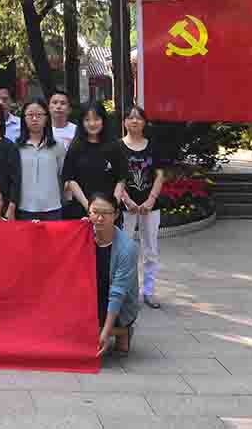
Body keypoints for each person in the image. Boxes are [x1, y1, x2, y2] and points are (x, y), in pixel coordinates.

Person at [118, 104, 166, 309]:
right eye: (130, 117)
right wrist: (127, 200)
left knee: (151, 250)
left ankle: (149, 291)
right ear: (124, 122)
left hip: (150, 207)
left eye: (138, 118)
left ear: (145, 122)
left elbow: (160, 175)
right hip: (125, 207)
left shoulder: (153, 146)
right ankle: (125, 293)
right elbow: (115, 178)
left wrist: (151, 200)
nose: (134, 121)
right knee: (124, 251)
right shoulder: (117, 147)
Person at [89, 192, 140, 355]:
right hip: (92, 295)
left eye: (106, 213)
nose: (99, 218)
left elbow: (118, 292)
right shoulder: (83, 235)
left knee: (89, 334)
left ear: (116, 214)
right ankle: (106, 330)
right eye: (95, 212)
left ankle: (122, 330)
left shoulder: (127, 248)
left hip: (119, 303)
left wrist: (105, 332)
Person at [62, 101, 128, 220]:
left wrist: (112, 207)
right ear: (82, 122)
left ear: (103, 120)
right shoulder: (76, 147)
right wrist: (89, 207)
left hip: (109, 212)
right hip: (82, 210)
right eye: (87, 120)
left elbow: (121, 179)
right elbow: (71, 179)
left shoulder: (114, 146)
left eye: (96, 119)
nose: (92, 124)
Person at [14, 98, 66, 221]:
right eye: (30, 115)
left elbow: (63, 176)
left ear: (46, 117)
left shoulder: (57, 146)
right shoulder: (16, 146)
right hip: (24, 208)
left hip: (52, 208)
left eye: (39, 115)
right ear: (24, 118)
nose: (34, 119)